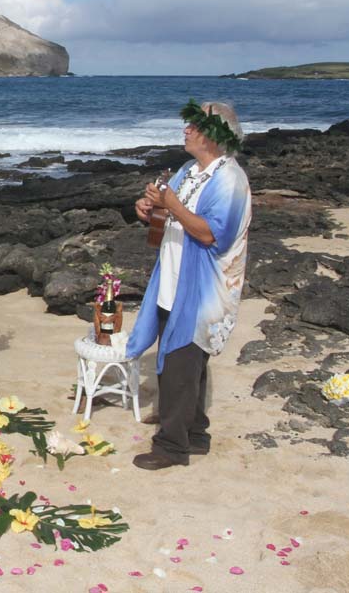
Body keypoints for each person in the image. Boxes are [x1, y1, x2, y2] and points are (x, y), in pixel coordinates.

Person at [126, 100, 252, 470]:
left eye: (194, 126)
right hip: (175, 278)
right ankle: (193, 431)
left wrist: (174, 205)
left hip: (202, 287)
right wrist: (149, 208)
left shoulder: (229, 180)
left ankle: (171, 446)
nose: (186, 131)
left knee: (180, 361)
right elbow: (171, 212)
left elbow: (213, 234)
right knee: (188, 358)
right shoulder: (189, 170)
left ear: (214, 135)